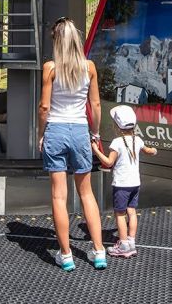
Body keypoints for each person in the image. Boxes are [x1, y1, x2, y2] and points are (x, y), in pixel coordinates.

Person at [37, 16, 107, 271]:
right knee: (86, 193)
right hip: (80, 130)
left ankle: (66, 254)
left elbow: (44, 106)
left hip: (56, 128)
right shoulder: (89, 67)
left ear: (56, 40)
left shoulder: (50, 68)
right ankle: (99, 251)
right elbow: (95, 105)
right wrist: (95, 133)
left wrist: (40, 134)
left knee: (58, 195)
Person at [91, 105, 157, 258]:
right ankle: (131, 241)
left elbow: (108, 162)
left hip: (121, 184)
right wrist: (153, 151)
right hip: (135, 183)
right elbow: (148, 150)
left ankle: (123, 244)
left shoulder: (117, 143)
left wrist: (95, 150)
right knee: (132, 212)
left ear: (117, 126)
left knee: (120, 214)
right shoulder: (138, 139)